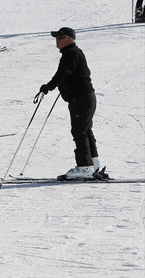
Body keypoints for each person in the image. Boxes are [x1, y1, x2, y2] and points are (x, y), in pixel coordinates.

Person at [39, 27, 103, 179]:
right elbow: (67, 74)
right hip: (85, 97)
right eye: (56, 37)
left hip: (81, 98)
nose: (57, 40)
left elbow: (63, 73)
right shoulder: (72, 53)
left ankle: (85, 167)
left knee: (79, 131)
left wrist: (49, 86)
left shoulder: (72, 54)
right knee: (85, 130)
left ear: (69, 39)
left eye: (60, 37)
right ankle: (93, 164)